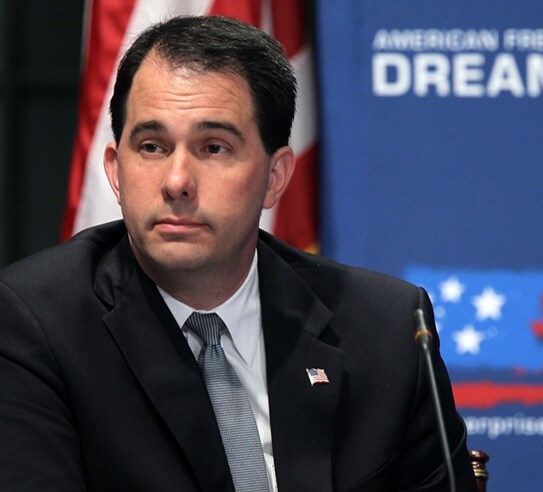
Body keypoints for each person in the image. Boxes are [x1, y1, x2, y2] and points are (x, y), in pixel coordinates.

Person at [0, 15, 478, 492]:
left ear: (275, 177)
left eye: (213, 148)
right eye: (152, 147)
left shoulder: (386, 330)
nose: (176, 182)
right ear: (115, 170)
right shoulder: (39, 326)